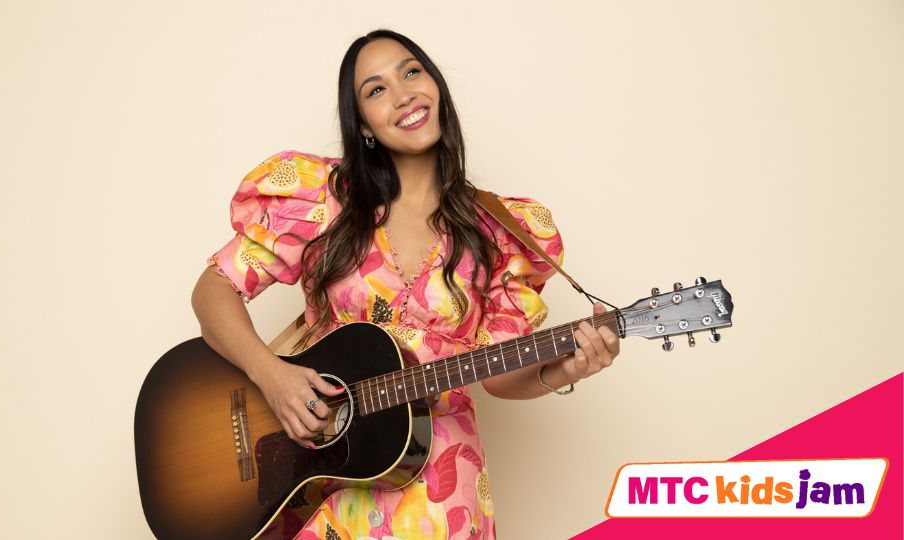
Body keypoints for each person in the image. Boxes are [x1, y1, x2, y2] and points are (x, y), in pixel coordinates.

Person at [191, 29, 621, 540]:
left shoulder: (500, 231)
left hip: (441, 492)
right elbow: (214, 288)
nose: (403, 94)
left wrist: (569, 365)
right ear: (365, 126)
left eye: (411, 72)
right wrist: (270, 375)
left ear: (436, 86)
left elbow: (499, 373)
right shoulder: (325, 201)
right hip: (328, 477)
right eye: (376, 90)